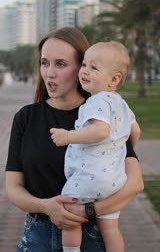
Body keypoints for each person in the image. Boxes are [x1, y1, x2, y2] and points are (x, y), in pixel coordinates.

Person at [5, 27, 144, 252]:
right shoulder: (26, 117)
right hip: (37, 238)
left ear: (83, 67)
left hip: (91, 237)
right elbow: (13, 189)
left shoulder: (103, 113)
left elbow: (135, 184)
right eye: (44, 63)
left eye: (60, 64)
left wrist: (86, 211)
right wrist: (47, 207)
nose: (49, 73)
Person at [50, 41, 140, 252]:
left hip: (90, 177)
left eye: (94, 67)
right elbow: (136, 132)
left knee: (69, 211)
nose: (85, 71)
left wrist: (68, 136)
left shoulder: (97, 101)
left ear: (114, 79)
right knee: (110, 228)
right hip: (115, 179)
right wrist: (120, 150)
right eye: (84, 65)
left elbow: (100, 131)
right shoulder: (122, 104)